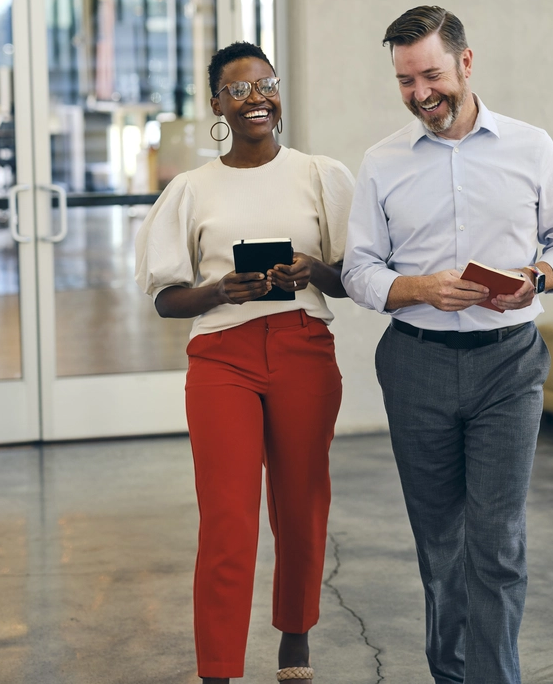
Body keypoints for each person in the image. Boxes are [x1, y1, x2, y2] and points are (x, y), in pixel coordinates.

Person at [342, 5, 553, 684]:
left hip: (508, 360)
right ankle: (452, 675)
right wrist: (417, 287)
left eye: (431, 74)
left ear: (466, 62)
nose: (420, 94)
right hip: (414, 360)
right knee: (440, 543)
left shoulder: (531, 147)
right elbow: (359, 270)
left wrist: (532, 277)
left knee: (497, 540)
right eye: (404, 80)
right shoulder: (382, 162)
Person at [134, 41, 355, 684]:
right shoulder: (190, 189)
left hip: (303, 348)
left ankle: (295, 640)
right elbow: (168, 301)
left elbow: (350, 280)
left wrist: (313, 270)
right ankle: (218, 668)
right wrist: (218, 291)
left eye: (266, 84)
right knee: (227, 517)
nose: (256, 98)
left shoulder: (321, 174)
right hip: (222, 357)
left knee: (302, 505)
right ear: (217, 106)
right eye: (239, 90)